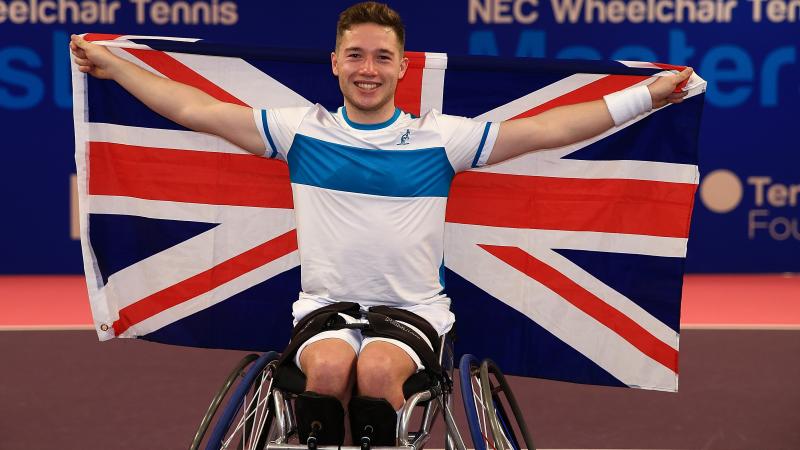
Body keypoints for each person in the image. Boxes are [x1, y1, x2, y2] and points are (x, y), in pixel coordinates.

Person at [70, 1, 692, 445]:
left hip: (415, 315)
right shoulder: (299, 132)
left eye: (382, 58)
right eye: (356, 56)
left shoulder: (441, 140)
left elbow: (551, 129)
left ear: (401, 68)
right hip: (326, 309)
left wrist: (648, 95)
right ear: (336, 64)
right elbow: (195, 108)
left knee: (372, 374)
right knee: (331, 373)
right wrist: (114, 64)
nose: (368, 68)